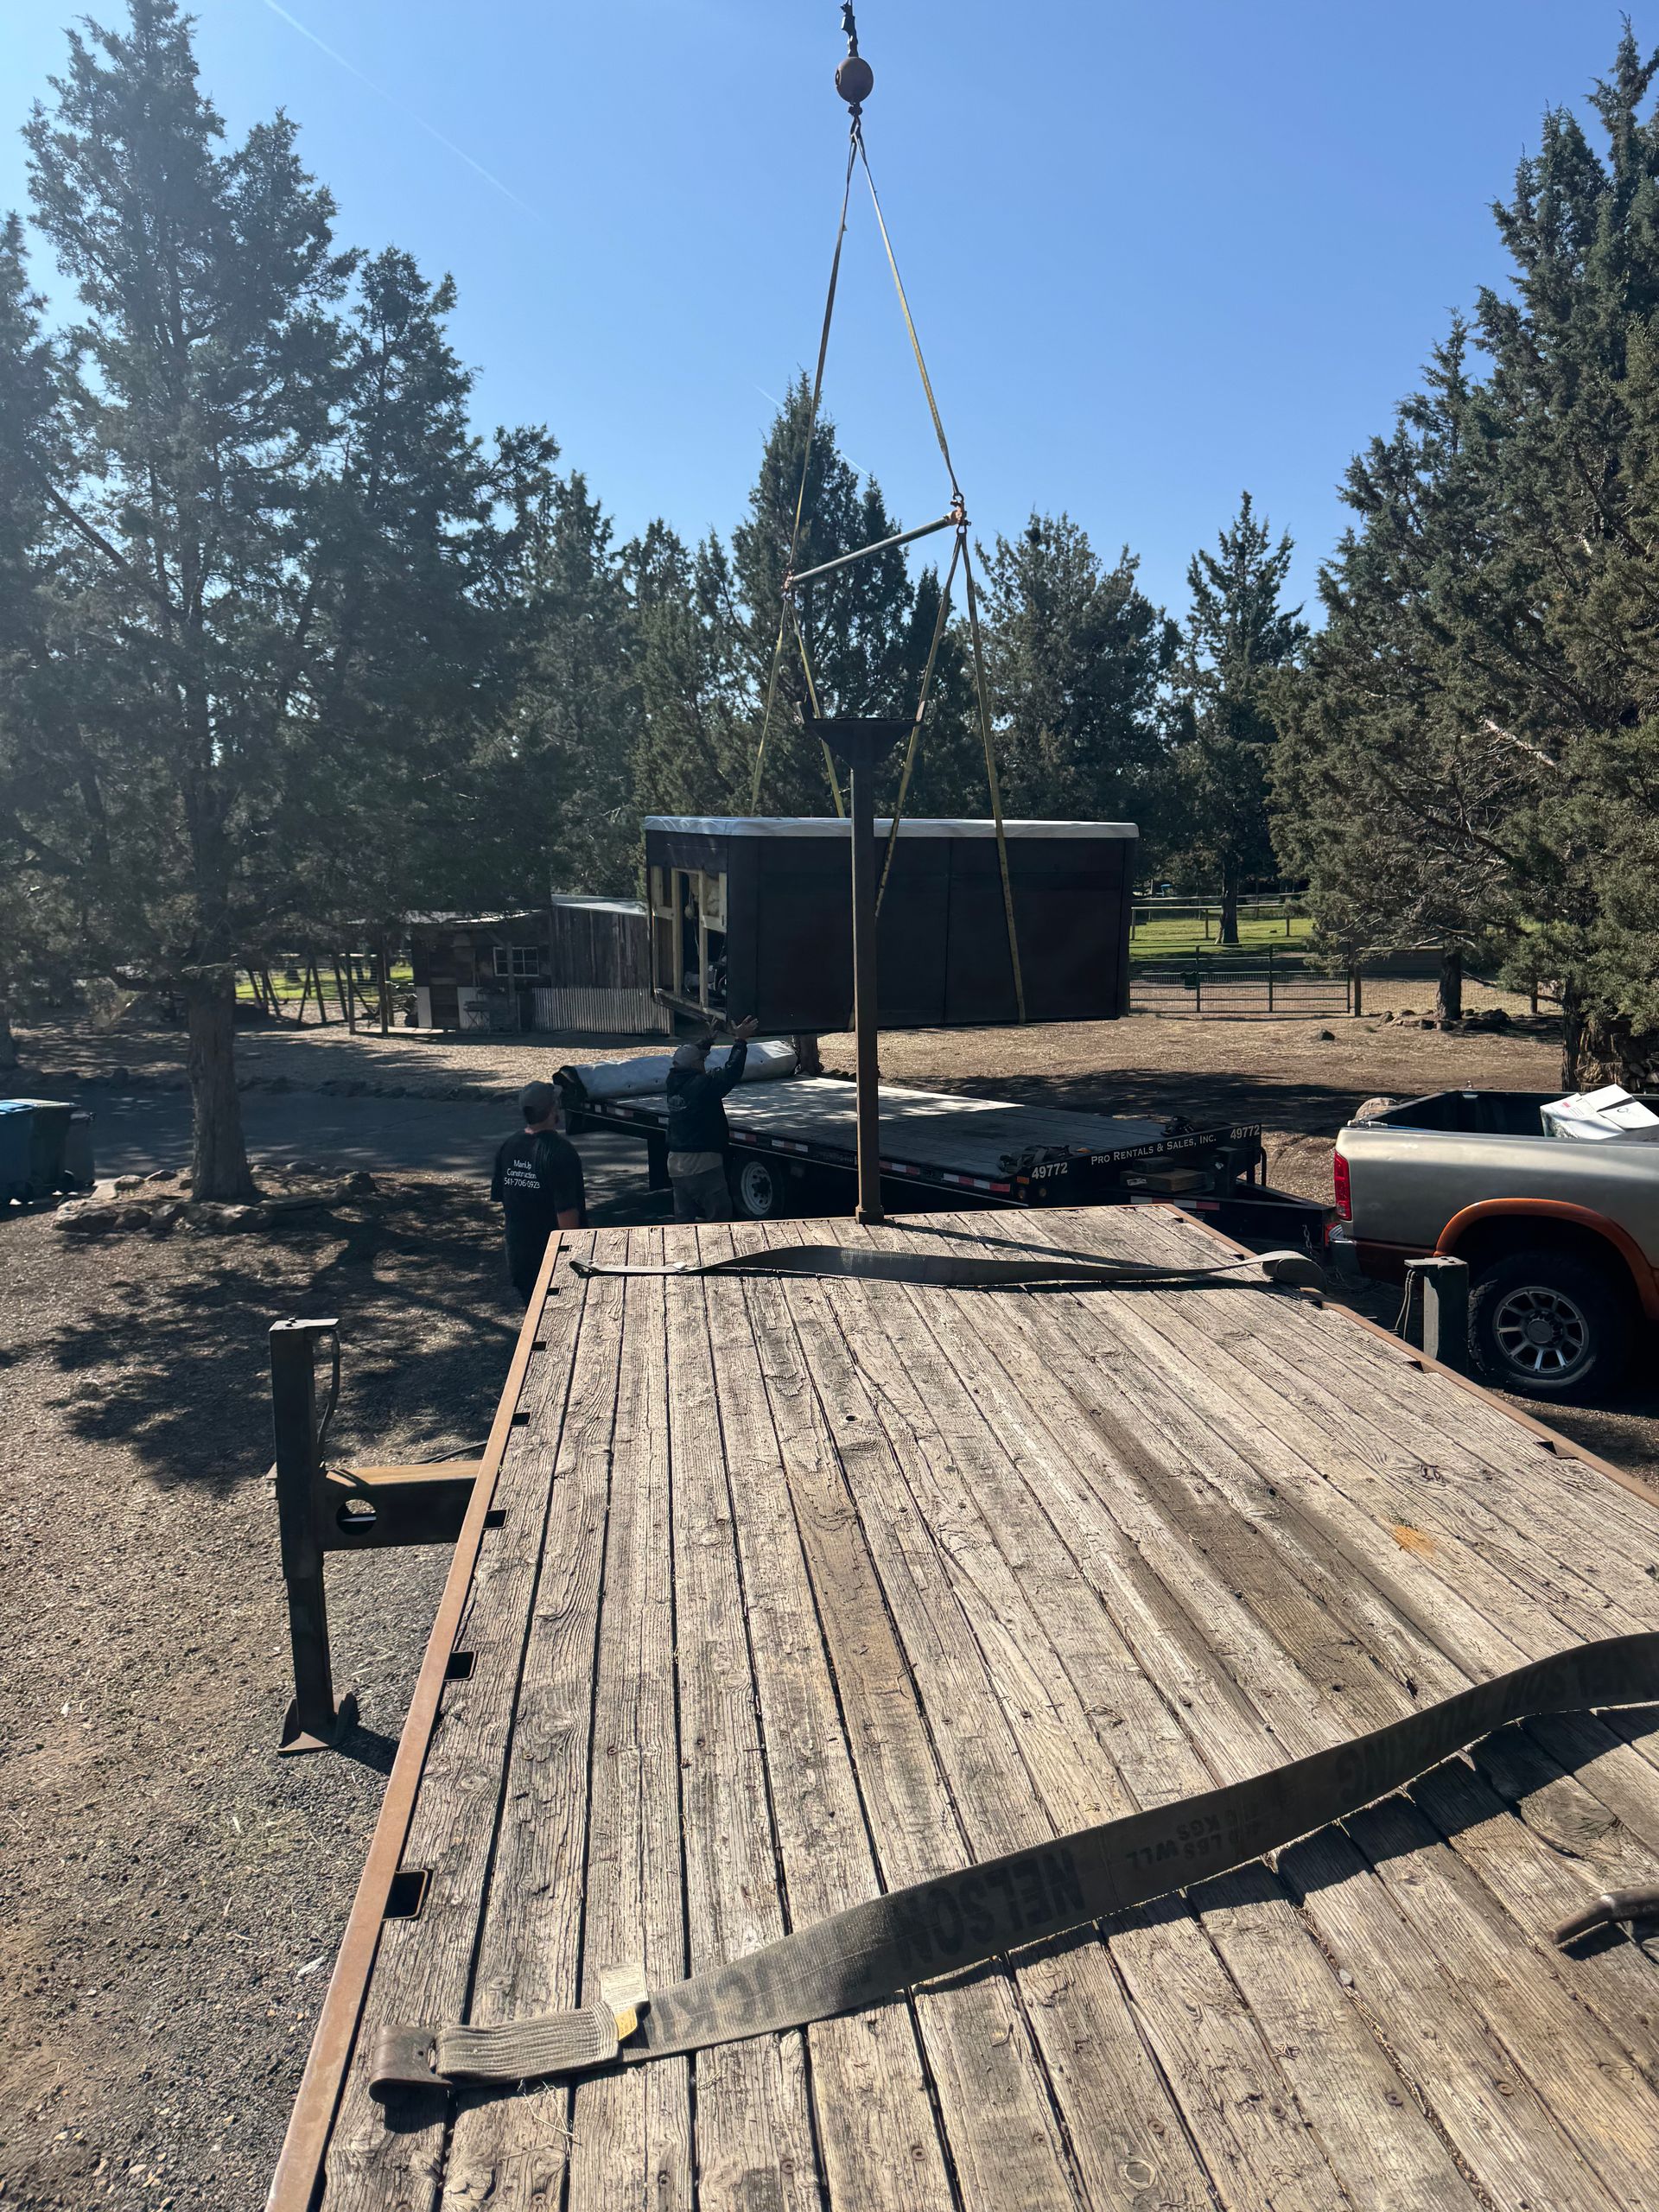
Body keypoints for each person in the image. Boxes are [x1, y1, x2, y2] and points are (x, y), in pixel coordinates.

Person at [491, 1080, 586, 1305]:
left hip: (520, 1256)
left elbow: (503, 1198)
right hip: (553, 1262)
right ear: (553, 1109)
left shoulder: (509, 1146)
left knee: (534, 1321)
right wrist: (575, 1259)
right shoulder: (560, 1152)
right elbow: (567, 1217)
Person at [664, 1015, 759, 1221]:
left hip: (676, 1164)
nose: (705, 1062)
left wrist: (708, 1040)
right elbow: (732, 1072)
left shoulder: (673, 1080)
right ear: (696, 1064)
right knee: (719, 1216)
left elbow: (689, 1057)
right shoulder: (703, 1086)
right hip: (702, 1163)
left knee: (684, 1220)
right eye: (702, 1060)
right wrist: (741, 1041)